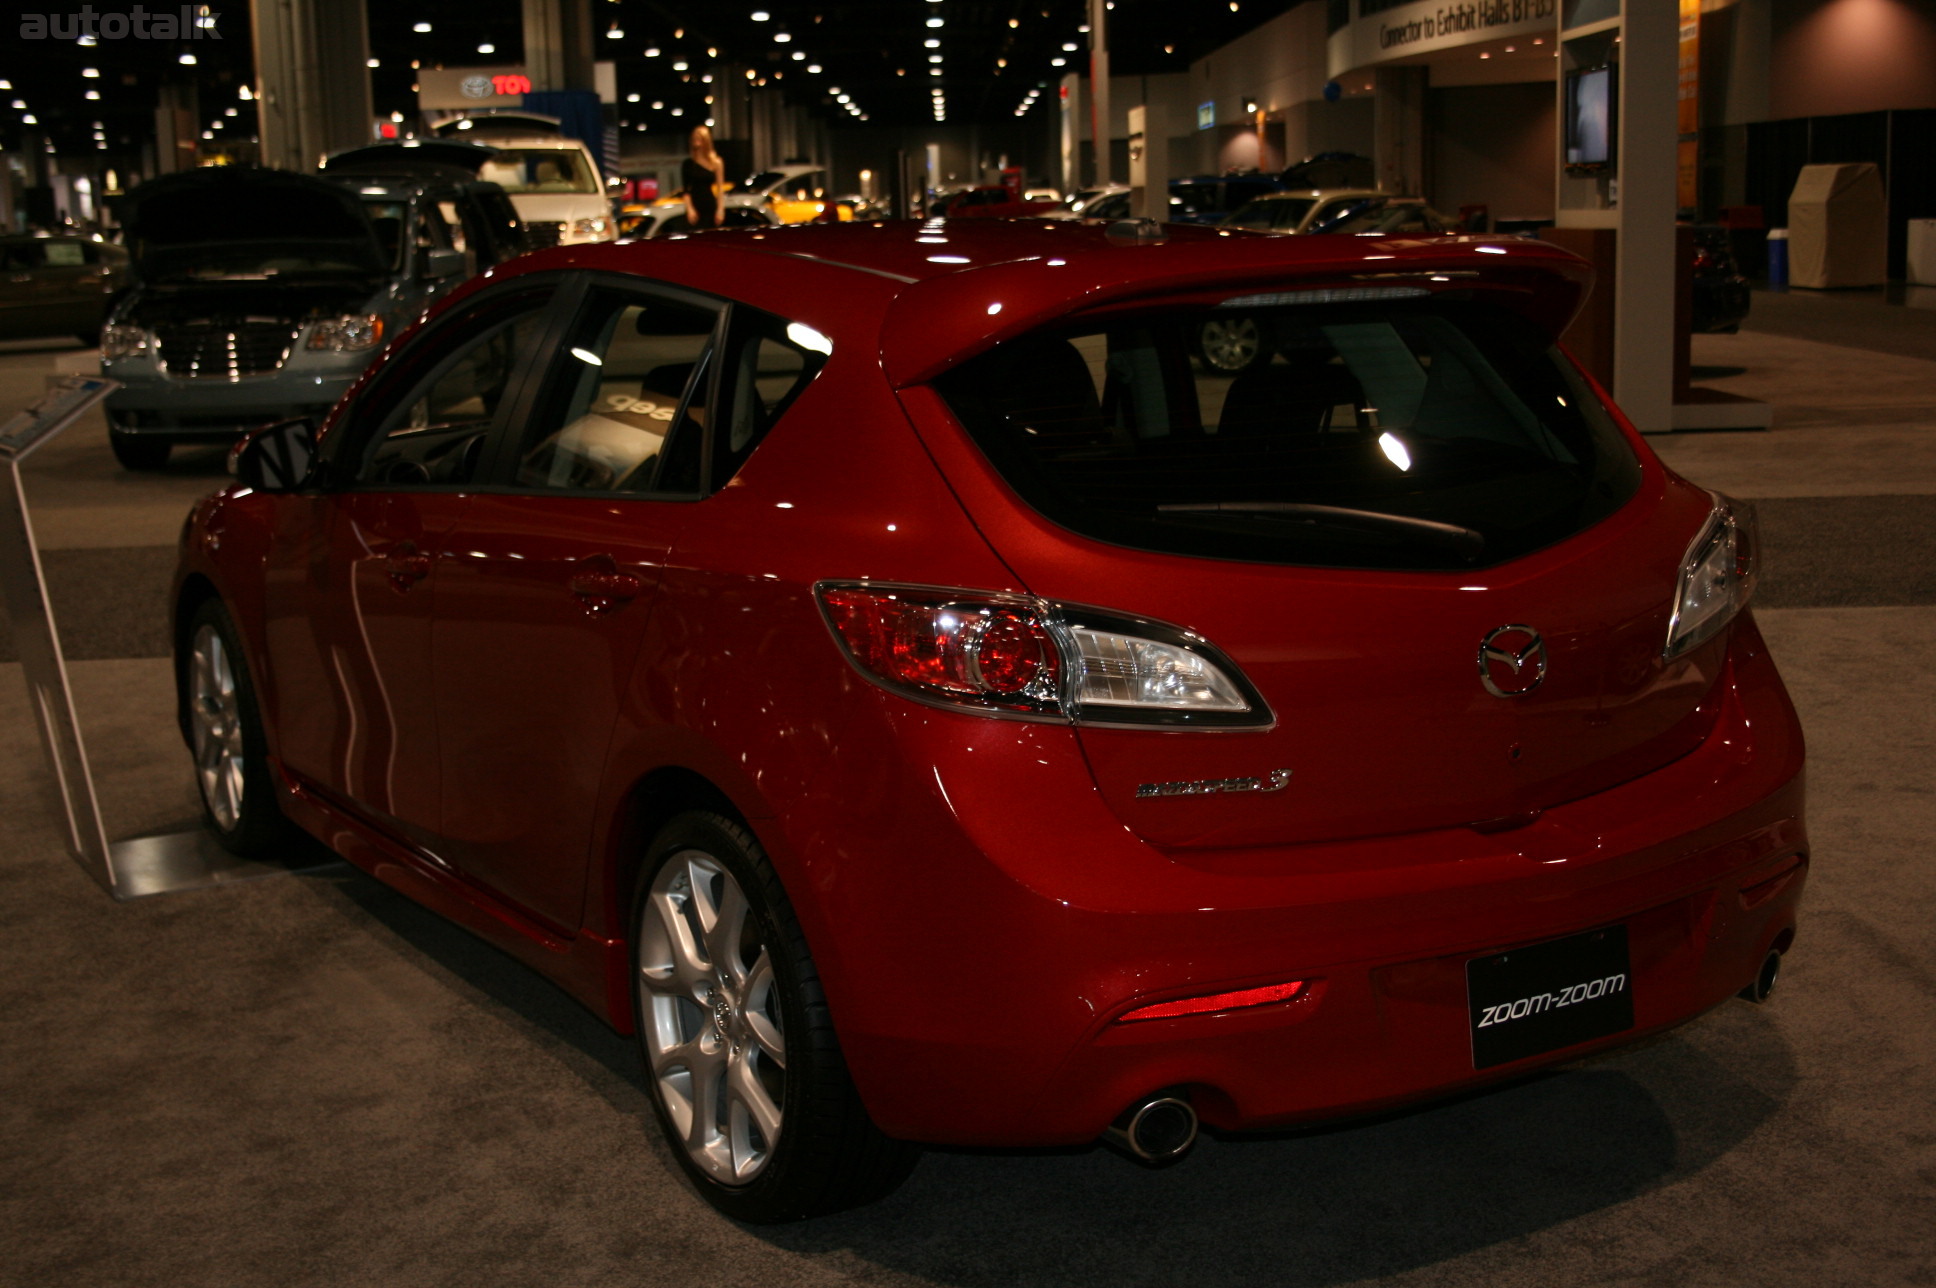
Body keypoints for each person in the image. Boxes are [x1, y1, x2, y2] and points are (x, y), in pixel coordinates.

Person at [682, 125, 726, 230]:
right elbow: (686, 190)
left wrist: (720, 209)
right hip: (695, 204)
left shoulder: (716, 162)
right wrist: (689, 209)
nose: (696, 140)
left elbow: (720, 188)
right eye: (694, 138)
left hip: (709, 203)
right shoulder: (688, 164)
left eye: (699, 138)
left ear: (706, 140)